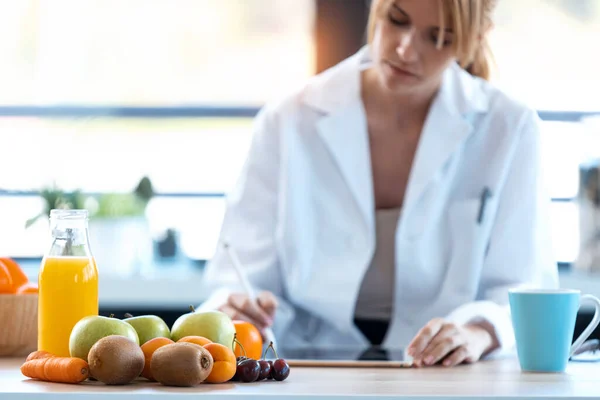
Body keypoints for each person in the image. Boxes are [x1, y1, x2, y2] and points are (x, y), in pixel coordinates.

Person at [197, 0, 559, 367]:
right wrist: (239, 308)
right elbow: (239, 278)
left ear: (474, 39)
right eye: (397, 20)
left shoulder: (510, 128)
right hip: (302, 369)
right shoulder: (288, 120)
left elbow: (524, 290)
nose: (404, 48)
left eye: (439, 37)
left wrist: (477, 333)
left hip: (446, 376)